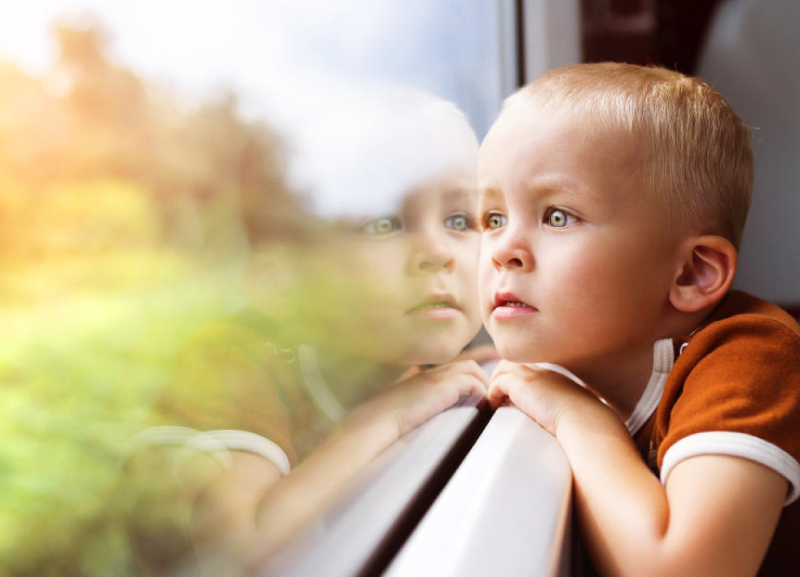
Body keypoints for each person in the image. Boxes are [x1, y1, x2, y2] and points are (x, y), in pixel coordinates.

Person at [125, 84, 495, 575]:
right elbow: (238, 547)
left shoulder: (423, 347)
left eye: (460, 218)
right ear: (282, 279)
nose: (439, 250)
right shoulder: (236, 359)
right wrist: (386, 417)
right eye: (384, 223)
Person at [478, 62, 800, 577]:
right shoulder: (590, 353)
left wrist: (577, 417)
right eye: (492, 219)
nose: (502, 250)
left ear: (692, 273)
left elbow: (681, 571)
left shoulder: (754, 357)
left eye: (558, 215)